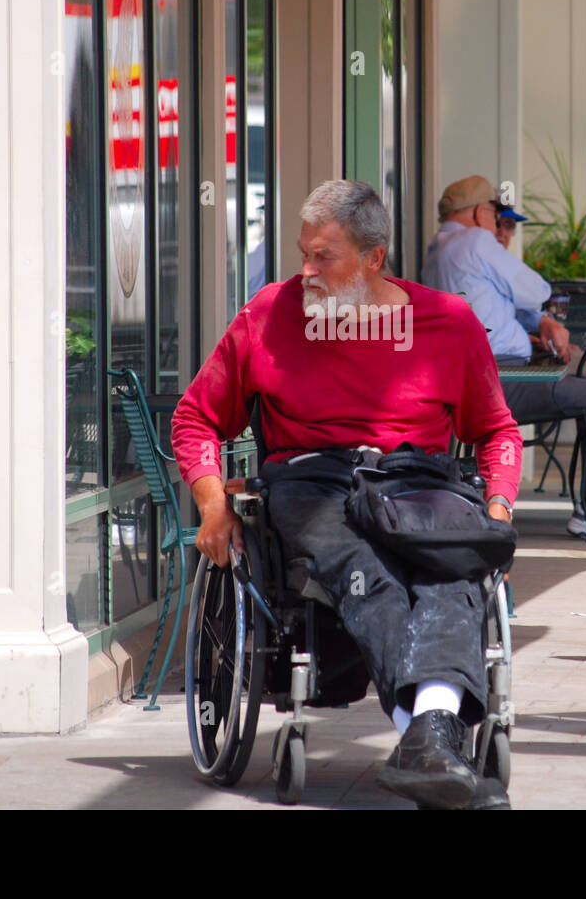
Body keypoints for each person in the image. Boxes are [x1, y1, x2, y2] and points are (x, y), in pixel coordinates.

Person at [171, 179, 520, 810]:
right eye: (302, 253)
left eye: (323, 257)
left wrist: (495, 510)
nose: (304, 271)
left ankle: (429, 737)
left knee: (454, 560)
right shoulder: (266, 315)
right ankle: (430, 739)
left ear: (374, 259)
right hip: (311, 479)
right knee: (370, 568)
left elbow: (496, 430)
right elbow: (195, 416)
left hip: (419, 480)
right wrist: (212, 504)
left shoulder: (447, 322)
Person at [422, 175, 586, 542]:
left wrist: (538, 323)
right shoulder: (474, 240)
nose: (498, 223)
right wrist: (544, 315)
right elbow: (536, 289)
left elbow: (494, 308)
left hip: (468, 380)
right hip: (500, 380)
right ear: (478, 212)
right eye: (493, 212)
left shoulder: (437, 250)